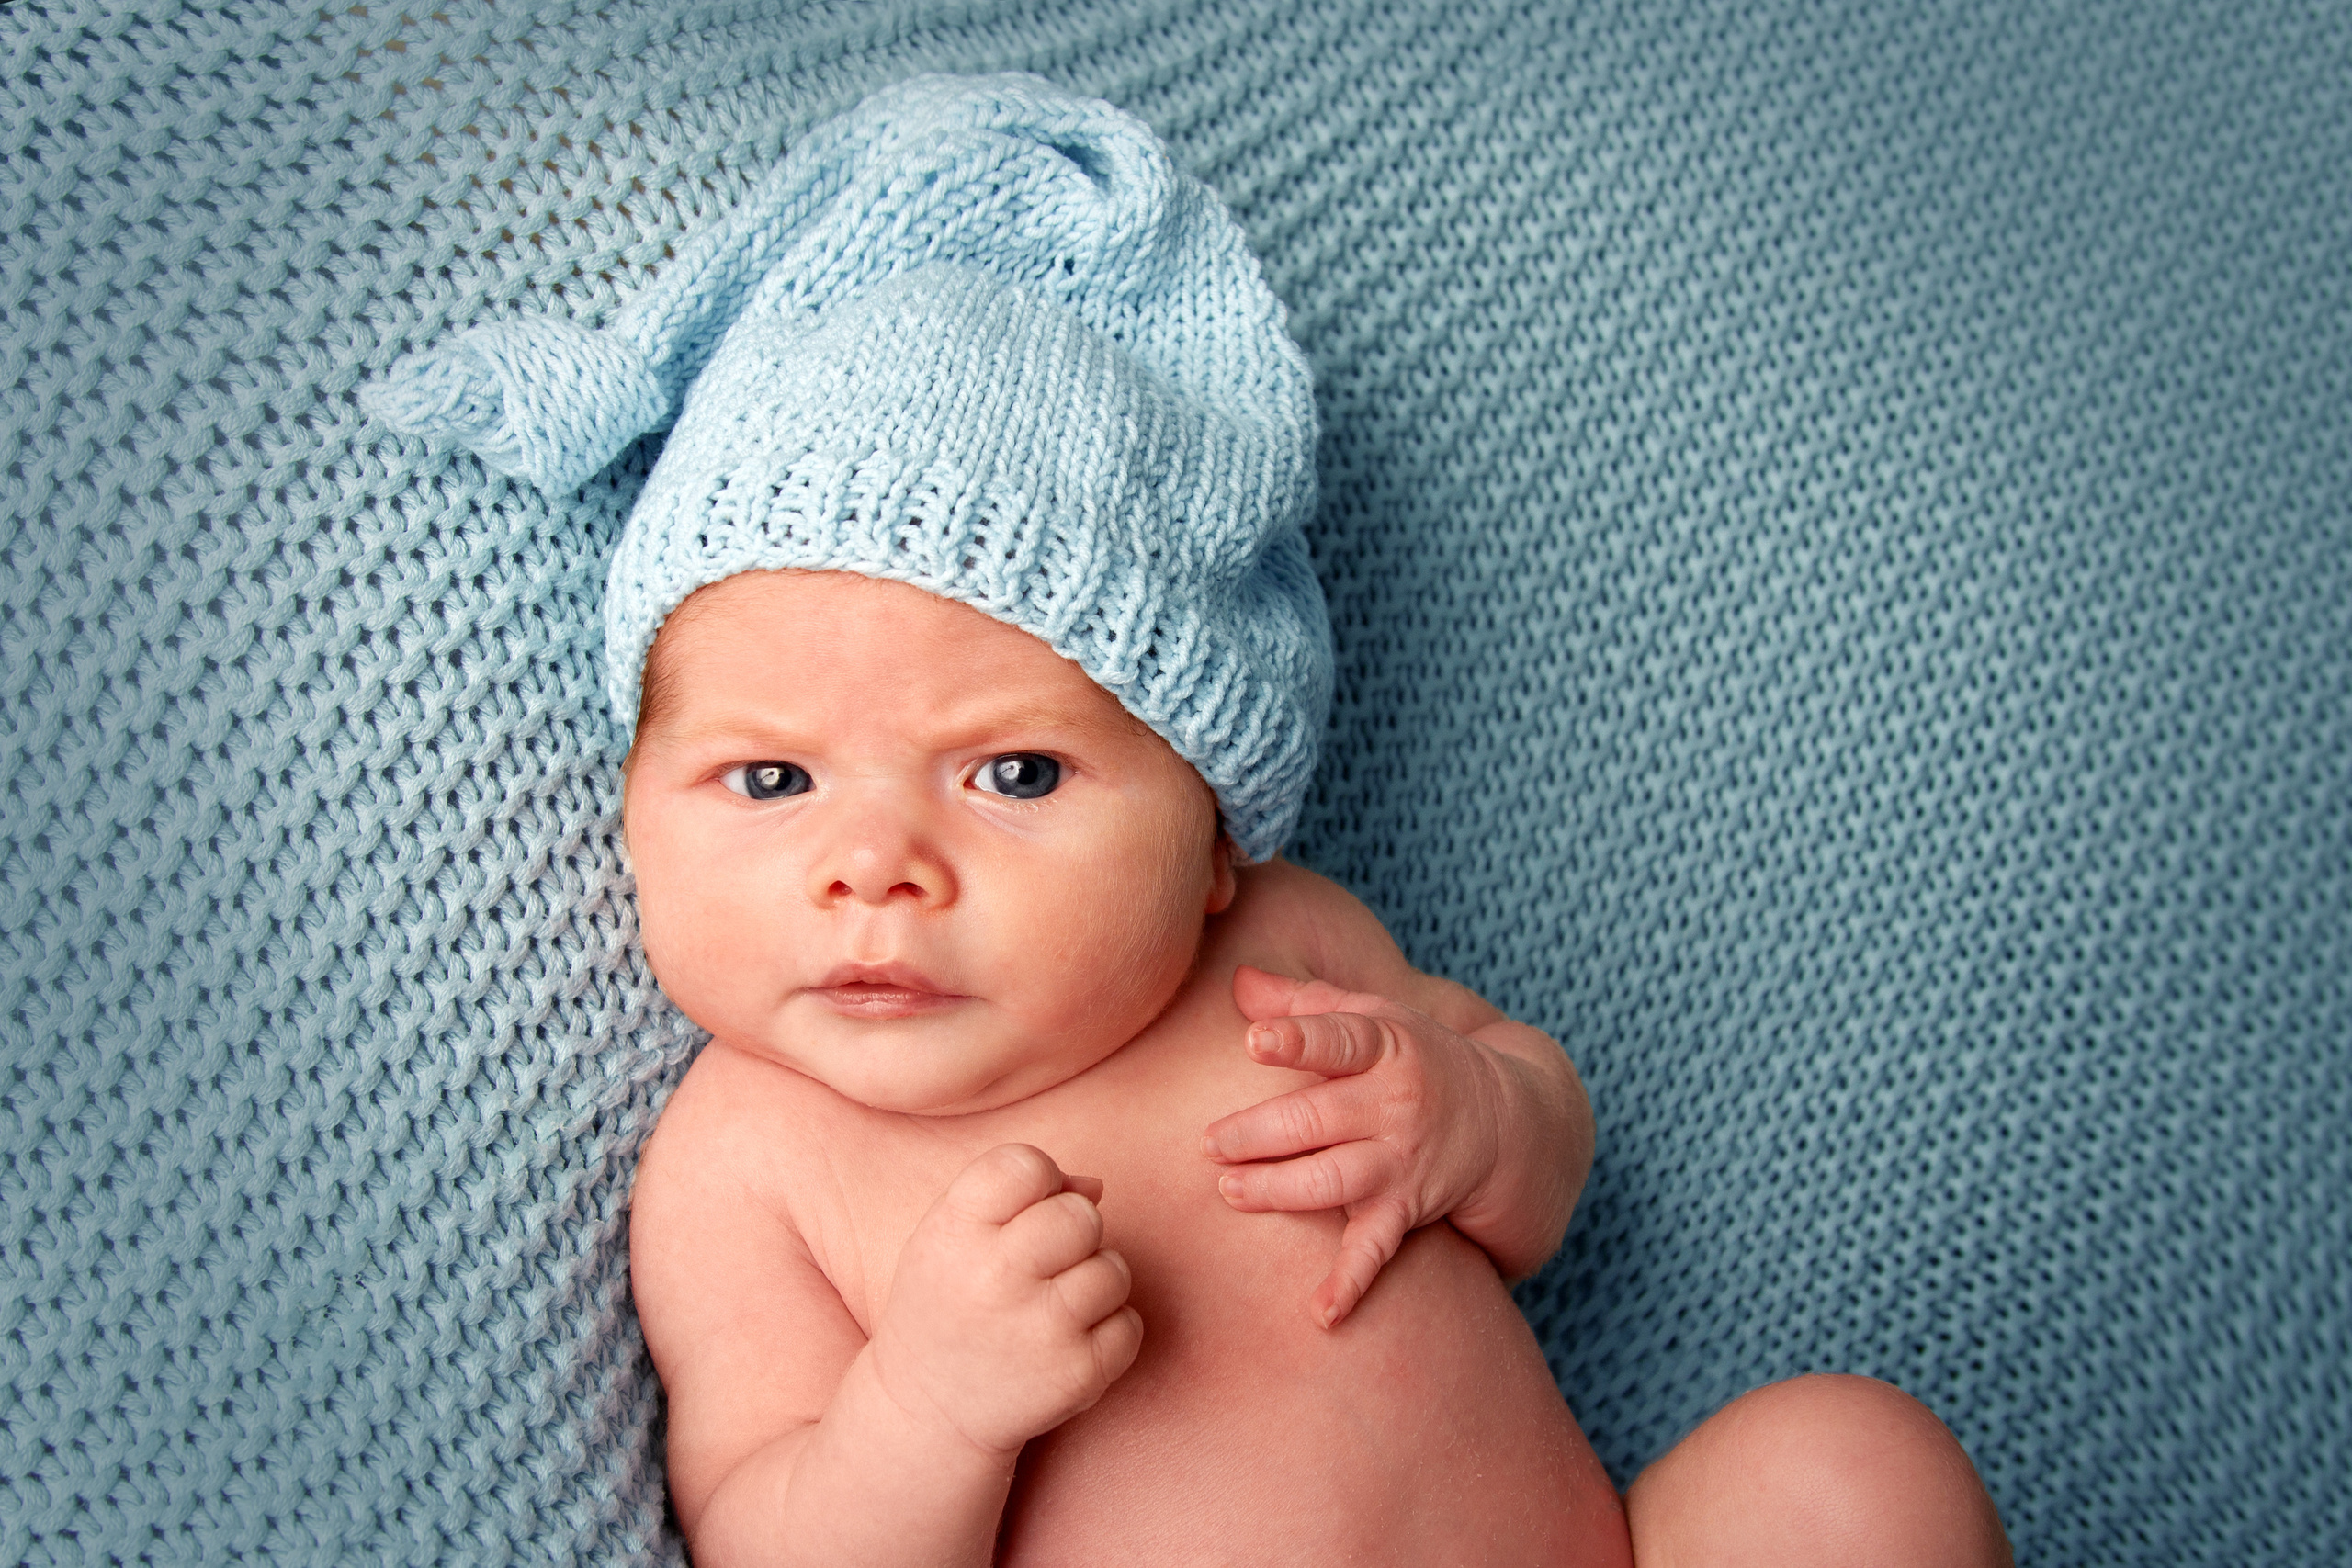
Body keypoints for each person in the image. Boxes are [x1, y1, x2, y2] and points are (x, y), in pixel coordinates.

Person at [366, 73, 2010, 1568]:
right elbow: (772, 1537)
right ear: (640, 808)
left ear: (1215, 832)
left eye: (1014, 775)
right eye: (771, 780)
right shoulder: (750, 1164)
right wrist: (926, 1412)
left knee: (1852, 1472)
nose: (873, 869)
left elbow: (1548, 1169)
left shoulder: (1290, 945)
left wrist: (1477, 1123)